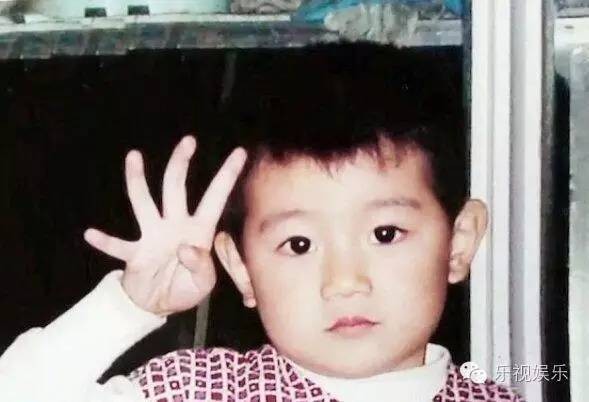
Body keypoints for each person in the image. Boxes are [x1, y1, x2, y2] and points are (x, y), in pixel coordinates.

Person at [0, 45, 524, 402]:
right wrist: (126, 308)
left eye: (385, 234)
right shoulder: (197, 391)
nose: (344, 282)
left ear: (458, 242)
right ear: (241, 268)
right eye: (298, 244)